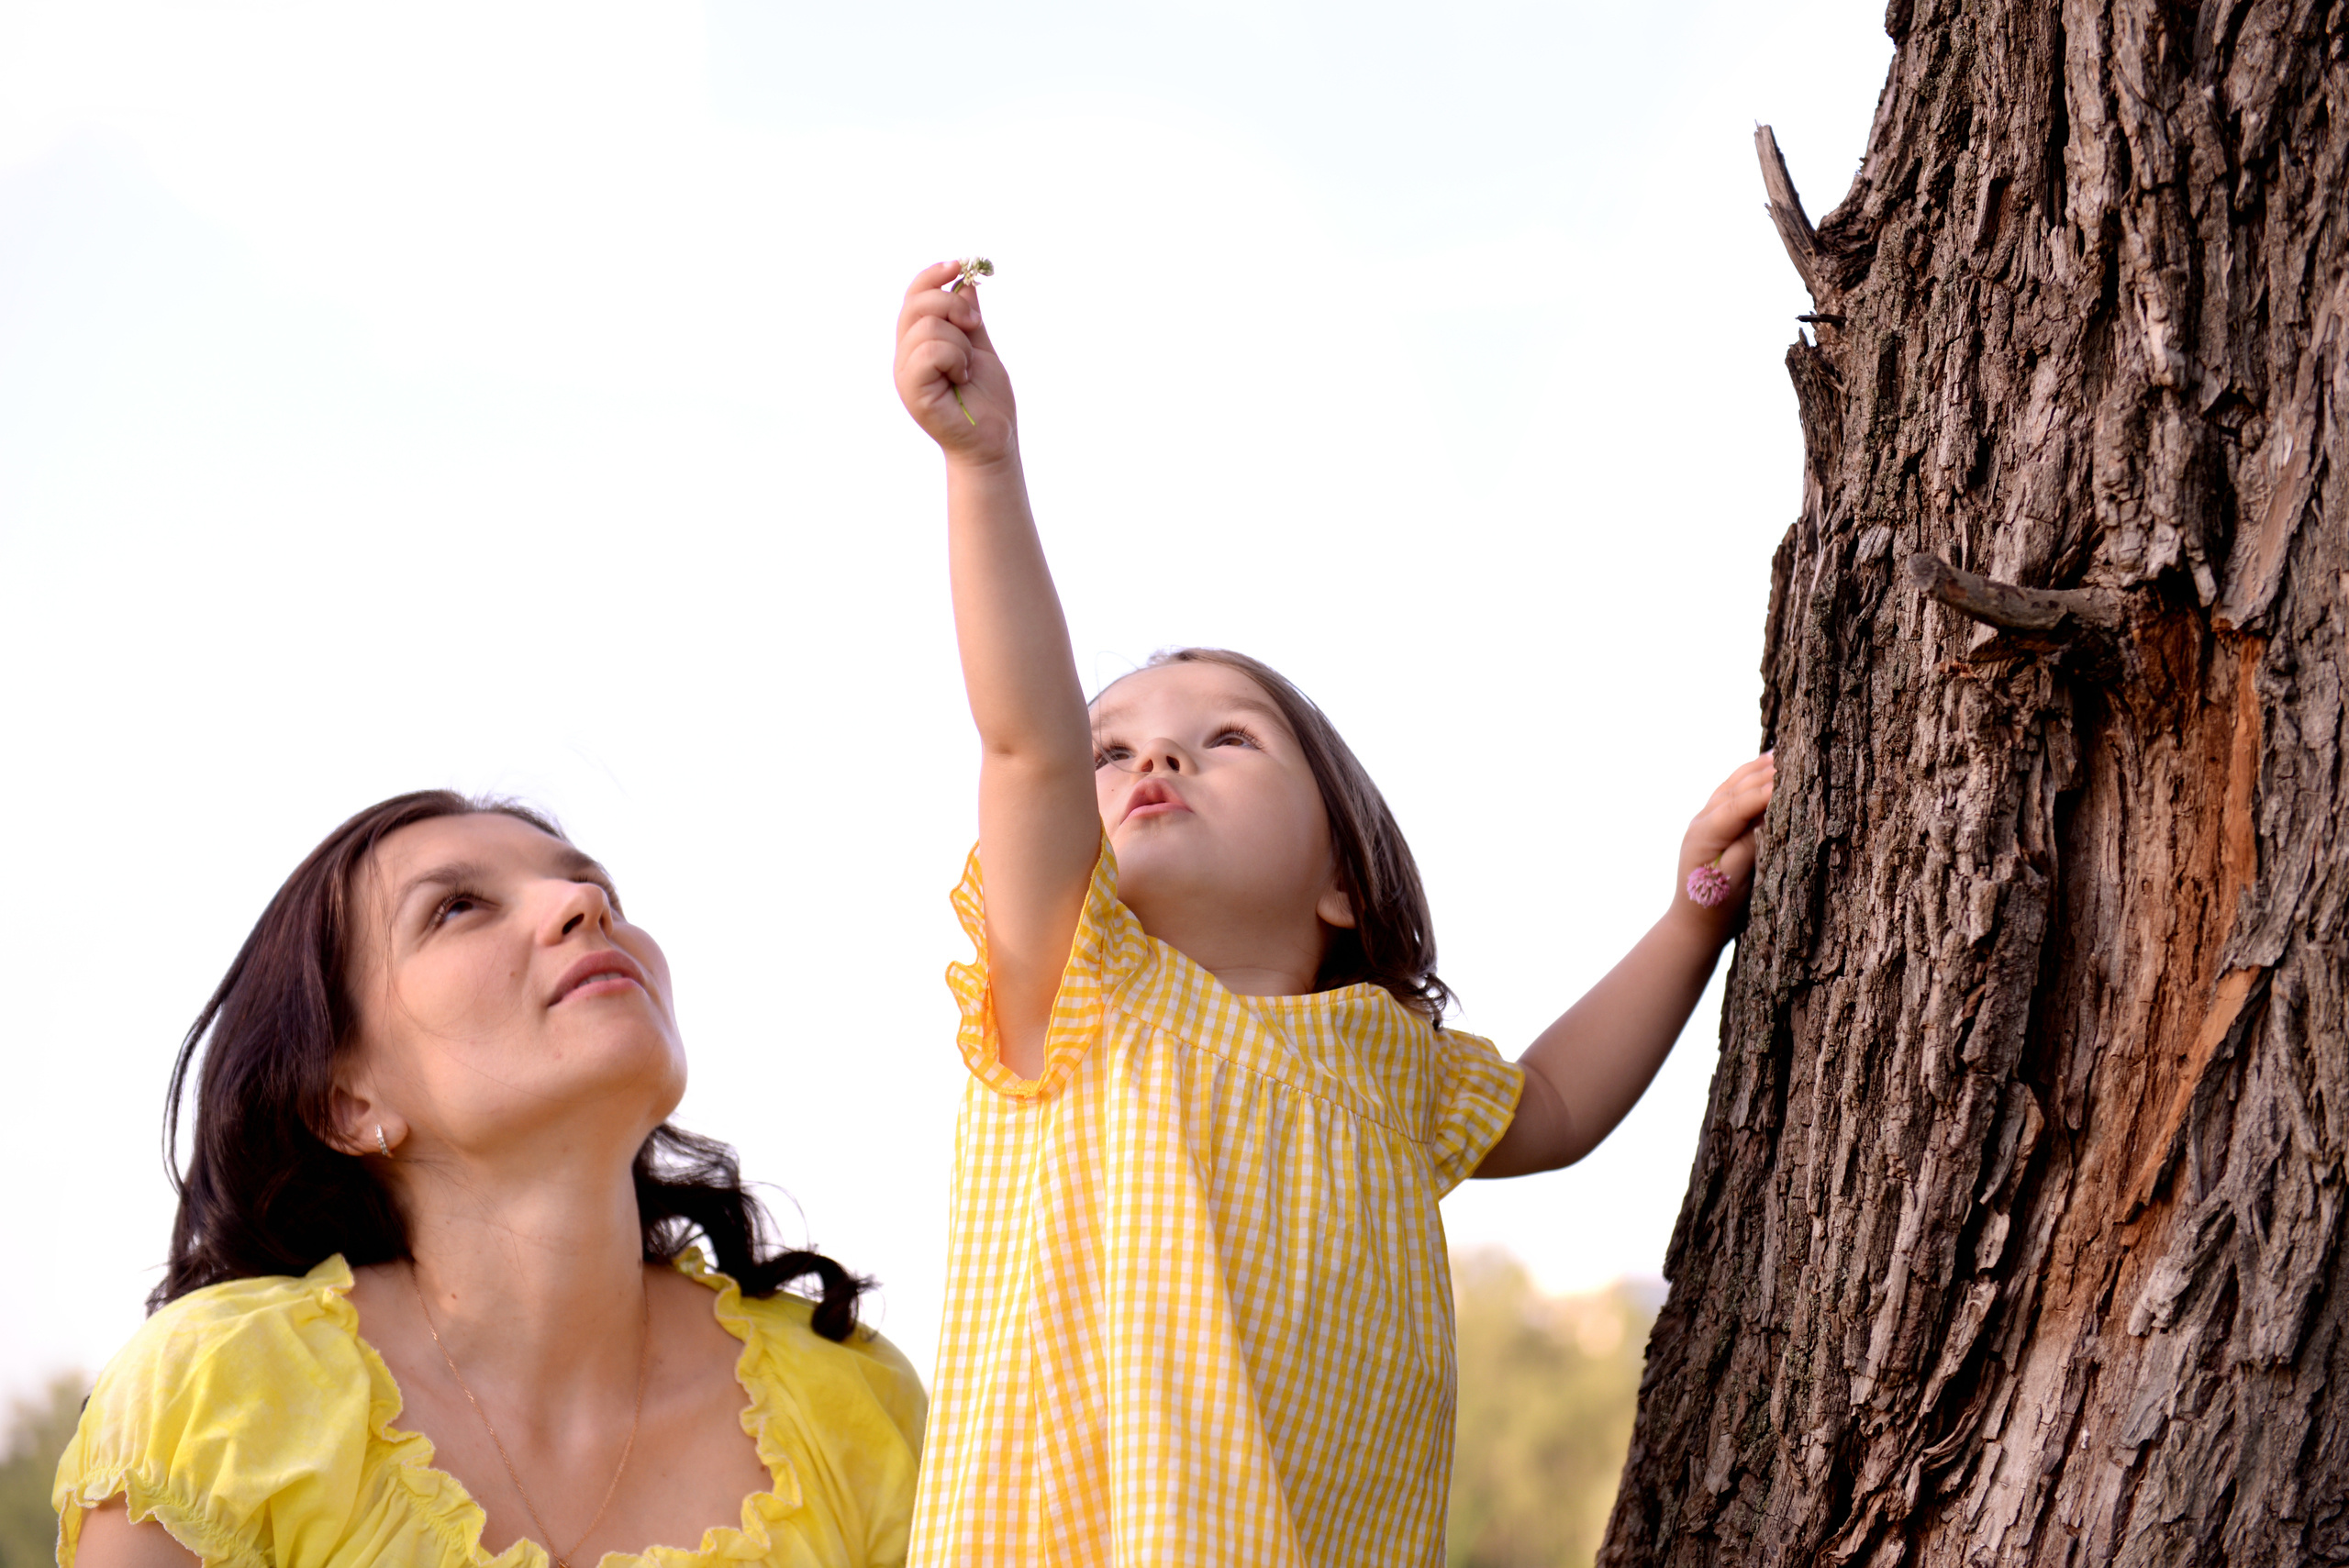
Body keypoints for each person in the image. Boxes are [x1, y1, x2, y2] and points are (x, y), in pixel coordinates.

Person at [891, 261, 1776, 1566]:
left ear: (1341, 881)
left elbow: (1559, 1104)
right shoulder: (1078, 994)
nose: (1154, 761)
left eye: (1225, 738)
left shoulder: (1385, 1069)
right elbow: (1022, 738)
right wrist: (983, 467)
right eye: (1114, 747)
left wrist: (1698, 911)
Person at [55, 792, 924, 1568]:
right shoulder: (221, 1402)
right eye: (458, 907)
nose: (583, 905)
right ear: (348, 1104)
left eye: (602, 891)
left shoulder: (857, 1409)